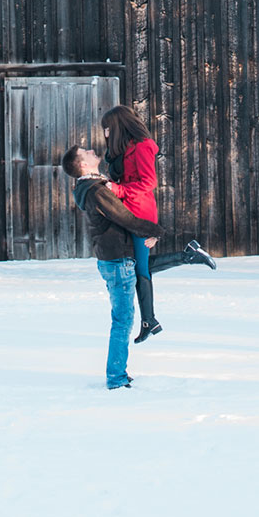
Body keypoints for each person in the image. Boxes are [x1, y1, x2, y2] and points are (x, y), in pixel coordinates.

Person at [101, 104, 216, 343]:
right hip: (127, 212)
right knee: (135, 267)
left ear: (118, 127)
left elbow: (148, 182)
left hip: (140, 214)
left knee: (139, 269)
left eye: (107, 128)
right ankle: (150, 318)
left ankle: (150, 318)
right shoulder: (123, 149)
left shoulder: (142, 147)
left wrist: (118, 189)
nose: (105, 133)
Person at [61, 144, 162, 390]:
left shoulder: (92, 187)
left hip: (115, 259)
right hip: (117, 260)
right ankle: (116, 377)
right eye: (86, 152)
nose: (92, 151)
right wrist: (155, 230)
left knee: (123, 318)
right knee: (123, 320)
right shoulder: (95, 191)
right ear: (83, 164)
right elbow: (123, 217)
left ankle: (118, 373)